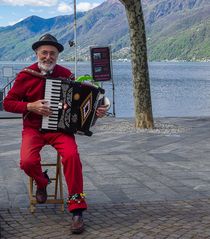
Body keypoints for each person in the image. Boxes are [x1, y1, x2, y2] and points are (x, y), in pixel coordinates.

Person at [3, 33, 107, 234]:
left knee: (72, 156)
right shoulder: (26, 75)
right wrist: (30, 106)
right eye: (44, 53)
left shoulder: (66, 74)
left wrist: (97, 112)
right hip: (33, 128)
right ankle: (43, 182)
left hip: (60, 130)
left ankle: (77, 210)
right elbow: (7, 103)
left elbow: (80, 105)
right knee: (26, 162)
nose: (48, 57)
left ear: (57, 55)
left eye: (52, 53)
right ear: (37, 53)